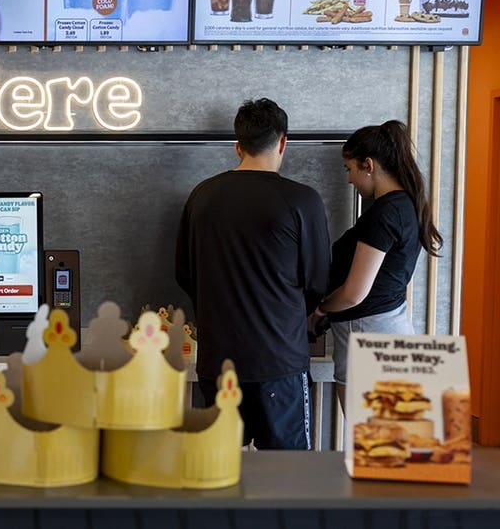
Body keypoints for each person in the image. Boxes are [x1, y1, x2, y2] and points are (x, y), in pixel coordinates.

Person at [175, 98, 330, 450]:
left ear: (237, 146)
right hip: (279, 360)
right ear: (283, 142)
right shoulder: (303, 200)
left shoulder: (202, 197)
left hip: (217, 361)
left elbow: (184, 273)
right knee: (288, 472)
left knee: (217, 466)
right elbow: (318, 281)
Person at [312, 120, 442, 409]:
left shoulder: (385, 214)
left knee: (375, 444)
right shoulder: (406, 205)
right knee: (395, 443)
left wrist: (319, 310)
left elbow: (353, 293)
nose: (349, 179)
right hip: (386, 327)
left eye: (350, 169)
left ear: (368, 164)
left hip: (369, 335)